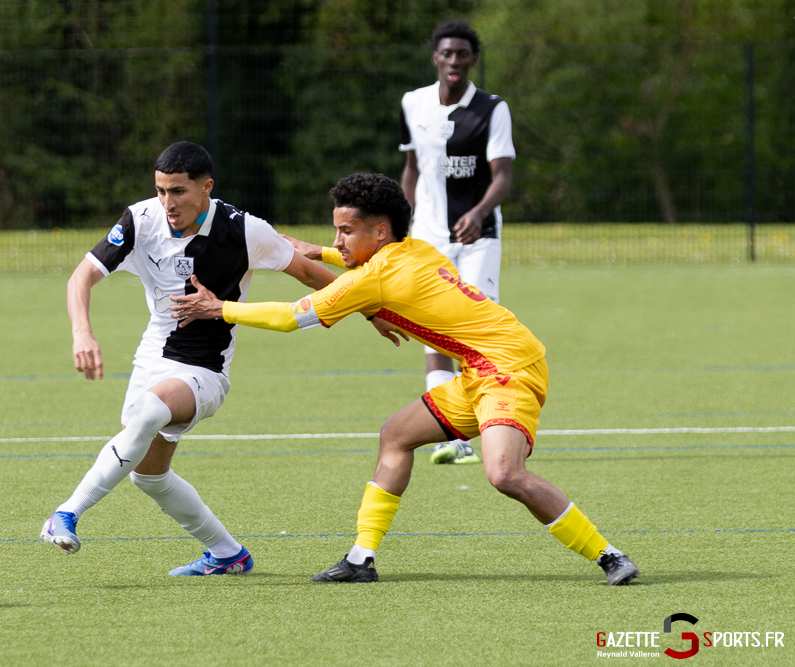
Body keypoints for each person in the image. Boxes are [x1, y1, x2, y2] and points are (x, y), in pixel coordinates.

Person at [170, 172, 639, 586]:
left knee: (504, 474)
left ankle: (608, 554)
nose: (339, 239)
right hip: (482, 368)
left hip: (507, 369)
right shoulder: (415, 249)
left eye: (346, 231)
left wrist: (219, 308)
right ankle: (361, 558)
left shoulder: (372, 280)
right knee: (396, 435)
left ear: (380, 230)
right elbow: (365, 267)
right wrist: (322, 250)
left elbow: (292, 317)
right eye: (337, 230)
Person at [40, 141, 337, 576]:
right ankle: (228, 555)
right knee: (149, 475)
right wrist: (82, 332)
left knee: (149, 412)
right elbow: (81, 276)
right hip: (152, 357)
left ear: (206, 187)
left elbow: (312, 274)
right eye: (161, 190)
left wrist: (370, 309)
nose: (167, 202)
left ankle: (66, 512)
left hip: (205, 371)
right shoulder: (141, 220)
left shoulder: (242, 230)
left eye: (178, 191)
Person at [402, 20, 515, 465]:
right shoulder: (413, 104)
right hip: (428, 237)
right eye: (446, 53)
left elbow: (503, 174)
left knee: (477, 329)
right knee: (435, 327)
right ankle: (453, 435)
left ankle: (496, 421)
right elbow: (411, 168)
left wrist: (479, 212)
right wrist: (400, 223)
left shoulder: (492, 109)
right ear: (435, 57)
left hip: (478, 239)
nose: (453, 61)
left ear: (473, 59)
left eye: (462, 54)